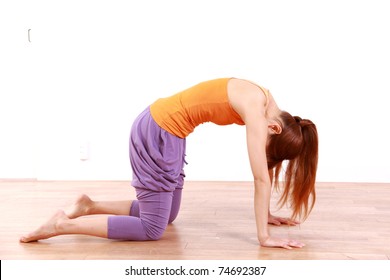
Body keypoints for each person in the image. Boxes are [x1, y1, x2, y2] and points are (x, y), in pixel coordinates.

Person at [20, 78, 318, 249]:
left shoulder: (269, 104)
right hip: (159, 131)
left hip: (169, 131)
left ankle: (89, 205)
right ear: (275, 130)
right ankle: (61, 224)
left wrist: (266, 214)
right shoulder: (257, 109)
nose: (261, 147)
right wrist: (263, 238)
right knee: (152, 228)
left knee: (168, 215)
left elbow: (264, 163)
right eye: (269, 146)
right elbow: (260, 178)